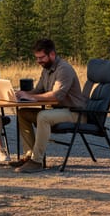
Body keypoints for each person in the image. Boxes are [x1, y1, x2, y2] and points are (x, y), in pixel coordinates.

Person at [10, 38, 87, 173]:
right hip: (58, 111)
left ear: (52, 54)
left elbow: (56, 96)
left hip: (75, 113)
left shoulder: (64, 69)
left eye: (41, 58)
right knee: (23, 113)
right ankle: (29, 156)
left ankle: (37, 161)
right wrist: (21, 94)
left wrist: (31, 97)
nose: (39, 61)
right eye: (37, 58)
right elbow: (38, 90)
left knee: (43, 116)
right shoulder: (46, 69)